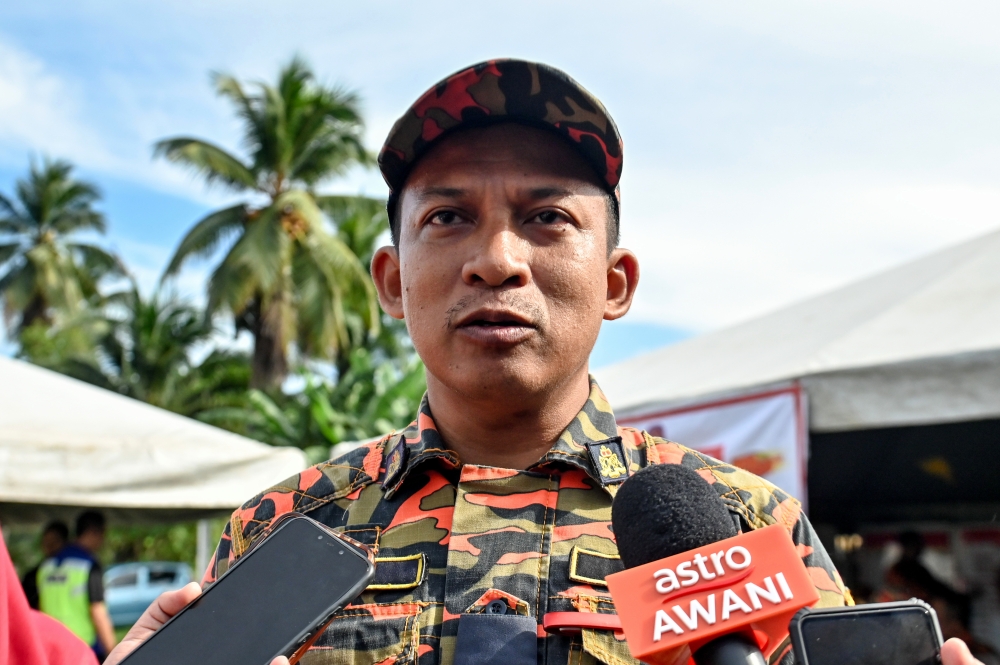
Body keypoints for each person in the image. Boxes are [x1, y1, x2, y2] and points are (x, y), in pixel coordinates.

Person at [105, 59, 985, 665]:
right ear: (390, 280)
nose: (498, 258)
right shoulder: (288, 530)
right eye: (446, 217)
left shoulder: (743, 524)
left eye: (546, 217)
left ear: (615, 281)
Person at [2, 521, 99, 665]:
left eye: (51, 542)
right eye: (45, 542)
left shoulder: (44, 570)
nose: (46, 547)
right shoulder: (85, 565)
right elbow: (98, 609)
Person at [38, 511, 117, 661]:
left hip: (51, 649)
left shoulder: (46, 566)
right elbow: (97, 609)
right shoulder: (87, 564)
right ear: (94, 533)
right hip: (83, 649)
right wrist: (113, 651)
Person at [21, 520, 70, 610]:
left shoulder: (77, 572)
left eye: (54, 541)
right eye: (46, 541)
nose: (49, 546)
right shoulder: (32, 576)